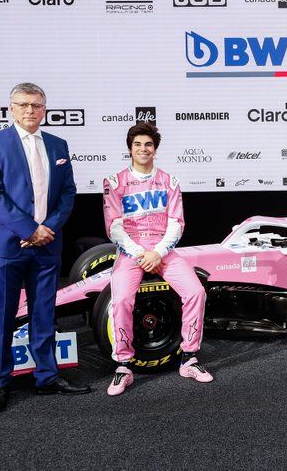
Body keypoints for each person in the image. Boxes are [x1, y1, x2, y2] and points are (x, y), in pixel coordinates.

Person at [0, 83, 90, 413]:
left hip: (47, 245)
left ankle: (47, 377)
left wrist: (47, 230)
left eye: (36, 105)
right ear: (11, 108)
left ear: (44, 108)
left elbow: (68, 193)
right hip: (5, 246)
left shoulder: (58, 144)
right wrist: (29, 229)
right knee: (1, 316)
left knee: (44, 314)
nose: (30, 110)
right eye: (23, 104)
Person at [102, 122, 212, 396]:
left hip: (162, 249)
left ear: (155, 149)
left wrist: (157, 253)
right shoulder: (114, 182)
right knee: (122, 299)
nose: (143, 149)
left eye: (148, 144)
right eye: (138, 144)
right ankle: (123, 366)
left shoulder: (169, 181)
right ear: (130, 148)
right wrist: (140, 253)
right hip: (131, 251)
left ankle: (189, 358)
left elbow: (176, 223)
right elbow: (114, 226)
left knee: (196, 292)